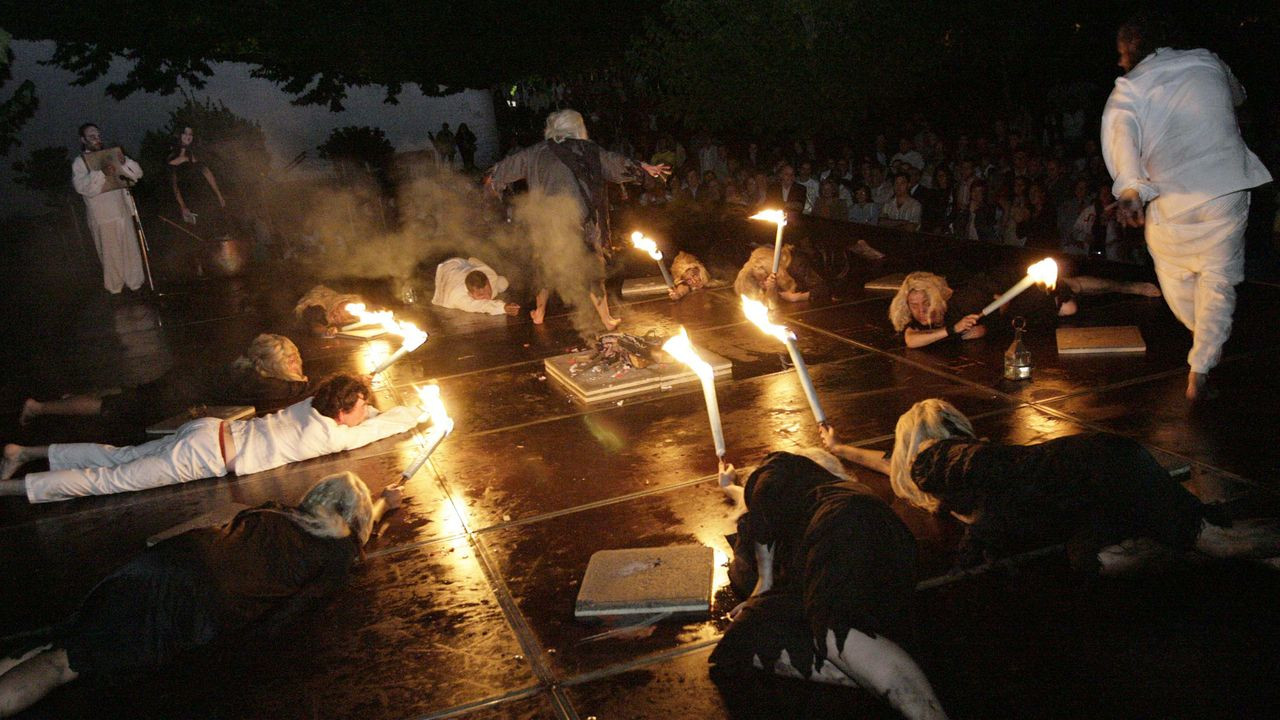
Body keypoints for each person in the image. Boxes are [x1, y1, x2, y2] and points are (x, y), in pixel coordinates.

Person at [0, 471, 399, 717]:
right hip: (193, 599)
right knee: (65, 664)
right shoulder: (335, 552)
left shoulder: (275, 511)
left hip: (170, 561)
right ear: (354, 517)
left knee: (70, 639)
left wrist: (380, 501)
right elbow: (289, 616)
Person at [821, 399, 1280, 574]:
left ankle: (1206, 535)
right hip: (1090, 482)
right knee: (1092, 560)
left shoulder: (945, 462)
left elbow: (988, 507)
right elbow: (890, 464)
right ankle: (1185, 532)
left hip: (1104, 471)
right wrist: (842, 448)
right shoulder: (939, 461)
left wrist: (973, 548)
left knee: (1213, 542)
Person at [1102, 13, 1272, 400]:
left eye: (1120, 54)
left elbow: (1119, 133)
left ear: (1132, 51)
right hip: (1225, 188)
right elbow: (1239, 94)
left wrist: (1130, 188)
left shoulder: (1129, 88)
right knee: (1217, 279)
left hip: (1173, 198)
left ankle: (1206, 345)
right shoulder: (1207, 61)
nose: (1118, 62)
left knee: (1176, 275)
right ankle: (1203, 360)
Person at [710, 451, 948, 720]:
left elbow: (764, 575)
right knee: (842, 630)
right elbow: (753, 500)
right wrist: (729, 486)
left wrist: (758, 600)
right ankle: (874, 675)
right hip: (888, 536)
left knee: (832, 633)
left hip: (841, 526)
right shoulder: (817, 491)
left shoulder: (777, 469)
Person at [1, 374, 426, 503]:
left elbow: (365, 414)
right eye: (358, 409)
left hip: (210, 430)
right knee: (107, 480)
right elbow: (380, 426)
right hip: (206, 457)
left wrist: (368, 399)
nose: (362, 416)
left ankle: (25, 451)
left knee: (118, 456)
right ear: (342, 412)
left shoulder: (311, 405)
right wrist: (420, 411)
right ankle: (13, 486)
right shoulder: (330, 438)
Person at [486, 109, 670, 327]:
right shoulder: (587, 150)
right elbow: (615, 163)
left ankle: (540, 312)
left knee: (545, 267)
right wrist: (643, 168)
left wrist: (492, 186)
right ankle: (605, 318)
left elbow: (501, 171)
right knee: (592, 268)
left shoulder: (535, 152)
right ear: (578, 127)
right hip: (582, 221)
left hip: (547, 223)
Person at [19, 333, 311, 430]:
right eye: (290, 360)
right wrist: (301, 380)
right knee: (110, 406)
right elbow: (299, 388)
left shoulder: (247, 368)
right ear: (271, 364)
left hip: (180, 382)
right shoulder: (261, 383)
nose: (297, 364)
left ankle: (66, 398)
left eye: (296, 356)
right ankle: (40, 408)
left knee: (127, 393)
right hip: (174, 398)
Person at [889, 270, 1160, 349]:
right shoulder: (914, 319)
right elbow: (911, 340)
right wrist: (954, 330)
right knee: (1069, 311)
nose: (920, 310)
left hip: (1013, 299)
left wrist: (967, 326)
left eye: (925, 303)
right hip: (1010, 324)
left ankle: (1130, 287)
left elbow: (997, 295)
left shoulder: (962, 301)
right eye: (914, 305)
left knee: (1070, 297)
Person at [71, 123, 145, 294]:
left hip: (123, 211)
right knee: (111, 256)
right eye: (91, 136)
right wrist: (101, 173)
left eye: (98, 135)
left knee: (130, 252)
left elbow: (137, 174)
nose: (96, 139)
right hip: (103, 216)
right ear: (83, 140)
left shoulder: (111, 155)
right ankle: (115, 291)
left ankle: (136, 285)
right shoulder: (80, 162)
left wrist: (124, 162)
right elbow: (83, 187)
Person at [168, 126, 227, 230]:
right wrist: (183, 206)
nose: (188, 136)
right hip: (187, 201)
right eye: (185, 133)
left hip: (203, 198)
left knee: (212, 228)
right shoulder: (172, 157)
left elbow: (208, 173)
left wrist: (219, 195)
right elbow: (174, 185)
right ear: (180, 135)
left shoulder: (195, 154)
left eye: (190, 134)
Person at [431, 257, 521, 316]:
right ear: (470, 293)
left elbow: (472, 259)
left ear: (488, 283)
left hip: (461, 263)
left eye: (487, 291)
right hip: (446, 269)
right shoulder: (458, 298)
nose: (487, 297)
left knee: (503, 283)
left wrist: (470, 260)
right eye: (480, 295)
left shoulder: (489, 273)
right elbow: (482, 306)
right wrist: (503, 307)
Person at [294, 285, 363, 337]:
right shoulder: (317, 308)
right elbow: (315, 327)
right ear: (336, 305)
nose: (337, 316)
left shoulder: (354, 308)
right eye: (338, 312)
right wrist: (326, 331)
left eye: (342, 317)